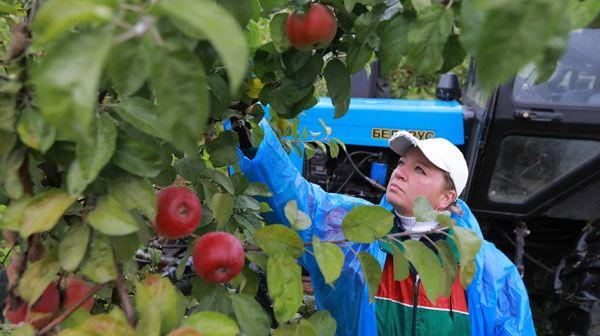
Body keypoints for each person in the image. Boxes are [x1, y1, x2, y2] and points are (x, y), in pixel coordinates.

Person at [236, 118, 536, 336]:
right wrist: (248, 126)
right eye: (402, 163)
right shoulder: (354, 231)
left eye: (419, 169)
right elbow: (296, 200)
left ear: (447, 197)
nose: (400, 173)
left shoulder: (493, 275)